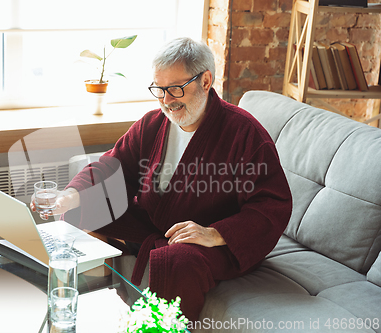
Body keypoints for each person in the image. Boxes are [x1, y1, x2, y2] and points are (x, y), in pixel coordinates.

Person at [32, 37, 292, 321]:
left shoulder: (244, 134)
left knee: (176, 260)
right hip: (156, 222)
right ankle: (95, 307)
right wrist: (69, 196)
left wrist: (214, 233)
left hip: (211, 242)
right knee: (77, 211)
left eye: (176, 89)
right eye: (159, 89)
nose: (167, 101)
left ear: (206, 81)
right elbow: (112, 166)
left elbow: (271, 205)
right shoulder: (153, 123)